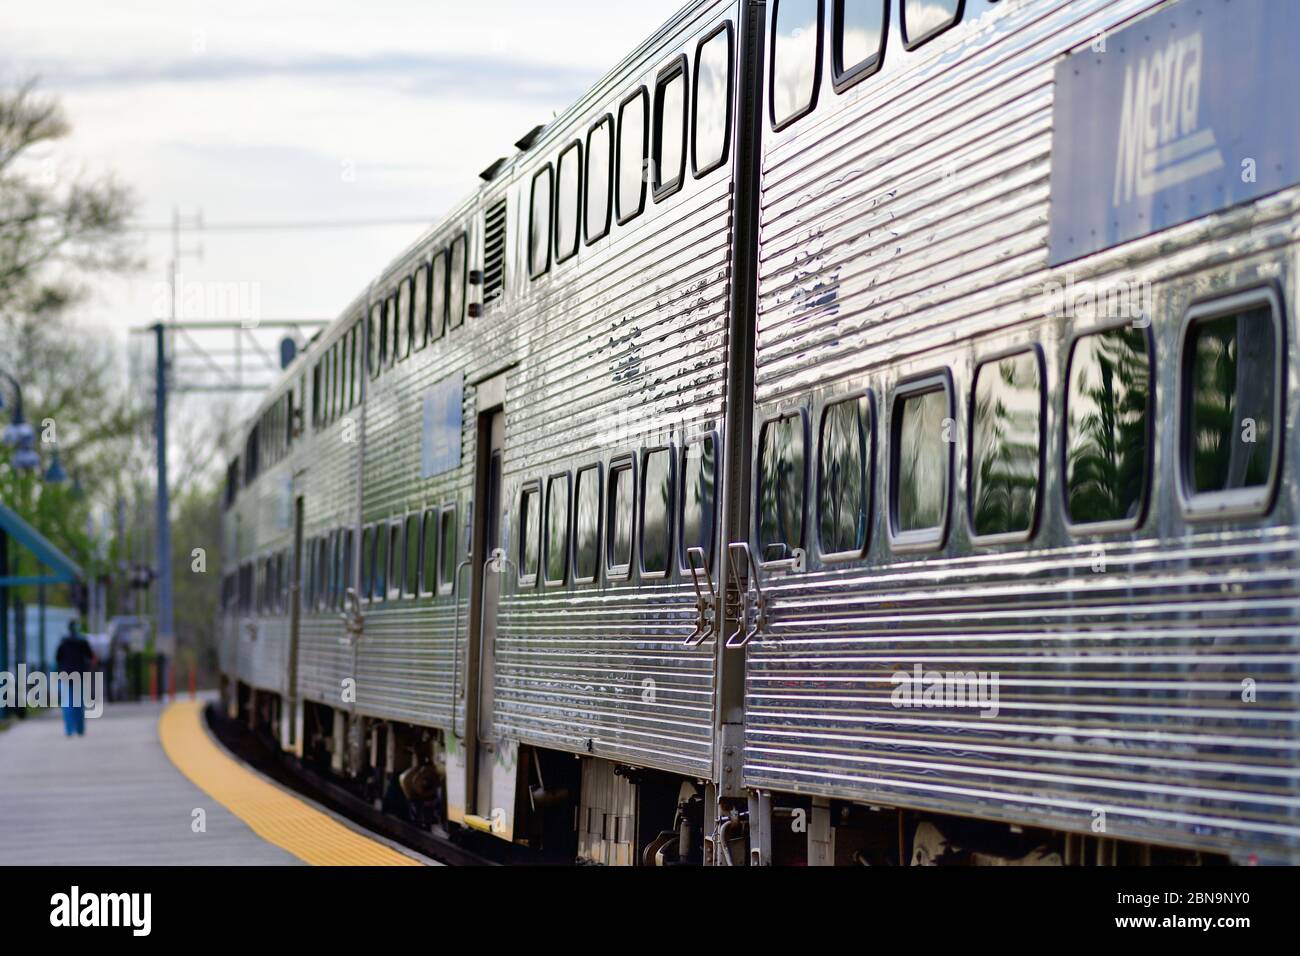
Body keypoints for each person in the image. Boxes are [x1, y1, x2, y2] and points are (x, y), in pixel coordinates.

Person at [54, 621, 96, 737]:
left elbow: (57, 659)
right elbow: (92, 658)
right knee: (79, 704)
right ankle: (80, 729)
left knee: (67, 704)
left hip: (65, 675)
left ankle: (69, 730)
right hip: (79, 675)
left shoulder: (63, 642)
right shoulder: (82, 642)